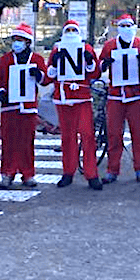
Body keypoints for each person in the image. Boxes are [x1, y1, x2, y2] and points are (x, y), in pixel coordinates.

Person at [0, 23, 50, 190]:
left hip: (28, 107)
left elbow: (46, 80)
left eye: (20, 40)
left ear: (27, 42)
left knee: (27, 142)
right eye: (14, 40)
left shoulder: (36, 60)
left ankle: (28, 173)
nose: (16, 43)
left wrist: (38, 74)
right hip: (9, 107)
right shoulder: (6, 59)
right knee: (8, 141)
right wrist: (1, 93)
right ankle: (7, 173)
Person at [47, 20, 103, 190]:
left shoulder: (86, 49)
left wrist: (89, 62)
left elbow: (96, 72)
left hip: (82, 98)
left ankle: (91, 174)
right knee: (67, 137)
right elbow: (49, 74)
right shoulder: (57, 49)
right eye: (68, 29)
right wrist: (55, 64)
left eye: (74, 29)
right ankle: (68, 171)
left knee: (87, 136)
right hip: (63, 98)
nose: (71, 32)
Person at [99, 14, 140, 184]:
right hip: (115, 96)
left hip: (134, 96)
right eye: (123, 25)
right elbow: (99, 68)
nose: (126, 28)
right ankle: (112, 169)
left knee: (138, 134)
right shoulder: (109, 45)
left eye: (130, 25)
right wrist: (105, 63)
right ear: (118, 28)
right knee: (114, 135)